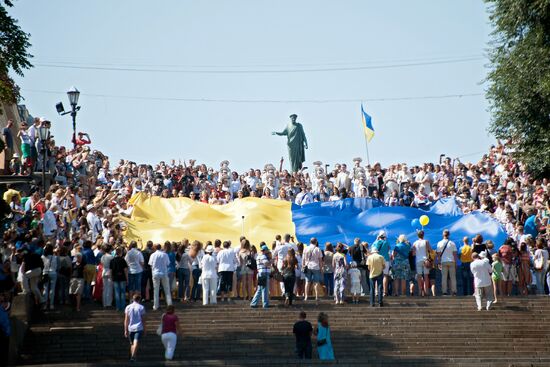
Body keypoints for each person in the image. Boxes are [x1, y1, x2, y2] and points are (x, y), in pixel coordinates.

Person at [148, 243, 172, 311]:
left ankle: (156, 306)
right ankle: (169, 305)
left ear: (155, 248)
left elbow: (150, 264)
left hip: (155, 273)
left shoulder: (152, 255)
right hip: (164, 273)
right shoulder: (165, 254)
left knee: (156, 290)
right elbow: (168, 264)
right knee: (167, 290)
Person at [124, 293, 146, 362]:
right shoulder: (141, 307)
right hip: (139, 327)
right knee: (136, 341)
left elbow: (126, 319)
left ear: (132, 299)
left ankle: (133, 356)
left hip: (130, 327)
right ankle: (133, 356)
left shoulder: (128, 307)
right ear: (139, 299)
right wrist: (145, 329)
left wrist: (125, 330)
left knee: (132, 343)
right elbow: (143, 319)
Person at [436, 229, 458, 296]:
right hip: (451, 261)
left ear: (443, 235)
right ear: (449, 235)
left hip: (443, 261)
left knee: (444, 277)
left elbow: (438, 254)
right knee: (453, 277)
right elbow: (455, 254)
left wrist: (439, 262)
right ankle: (454, 291)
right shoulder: (452, 243)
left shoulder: (439, 243)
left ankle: (444, 291)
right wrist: (456, 263)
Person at [250, 243, 271, 309]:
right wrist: (271, 261)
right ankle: (265, 304)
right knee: (265, 289)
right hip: (264, 273)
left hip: (260, 273)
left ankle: (254, 303)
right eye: (267, 250)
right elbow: (266, 264)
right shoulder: (263, 256)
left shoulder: (258, 256)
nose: (268, 251)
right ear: (265, 250)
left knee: (259, 289)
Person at [412, 230, 432, 297]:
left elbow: (413, 253)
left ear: (417, 235)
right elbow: (430, 250)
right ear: (423, 235)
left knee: (419, 277)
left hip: (418, 260)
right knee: (426, 276)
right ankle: (426, 291)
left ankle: (420, 291)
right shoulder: (426, 241)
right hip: (425, 260)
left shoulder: (415, 243)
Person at [371, 231, 391, 296]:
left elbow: (372, 248)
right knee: (385, 275)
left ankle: (377, 292)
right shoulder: (386, 242)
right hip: (386, 260)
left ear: (379, 236)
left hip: (378, 259)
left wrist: (376, 239)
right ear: (384, 237)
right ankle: (385, 292)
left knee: (377, 276)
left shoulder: (376, 242)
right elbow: (389, 249)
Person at [111, 247, 129, 312]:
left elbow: (111, 270)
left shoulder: (112, 260)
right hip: (122, 277)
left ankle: (118, 307)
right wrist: (127, 279)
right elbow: (125, 270)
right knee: (122, 292)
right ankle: (123, 306)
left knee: (117, 293)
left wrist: (111, 278)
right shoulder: (123, 260)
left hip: (115, 277)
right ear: (121, 253)